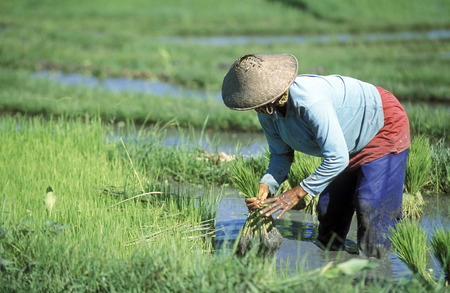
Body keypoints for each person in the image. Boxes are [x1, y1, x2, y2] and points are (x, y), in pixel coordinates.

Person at [221, 53, 410, 258]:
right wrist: (267, 186)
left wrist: (297, 192)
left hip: (380, 124)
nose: (257, 107)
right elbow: (280, 155)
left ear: (274, 91)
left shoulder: (310, 101)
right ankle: (331, 265)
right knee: (329, 209)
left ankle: (376, 266)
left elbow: (337, 158)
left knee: (371, 203)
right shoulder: (267, 113)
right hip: (346, 142)